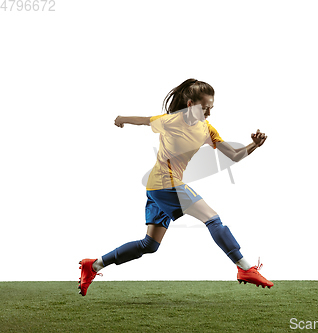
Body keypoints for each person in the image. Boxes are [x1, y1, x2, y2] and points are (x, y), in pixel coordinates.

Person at [78, 78, 273, 296]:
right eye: (205, 107)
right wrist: (121, 118)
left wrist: (254, 145)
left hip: (156, 188)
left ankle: (94, 265)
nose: (209, 113)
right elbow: (144, 120)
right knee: (212, 219)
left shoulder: (207, 129)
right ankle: (245, 267)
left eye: (211, 107)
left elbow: (234, 155)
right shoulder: (170, 121)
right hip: (165, 183)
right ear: (190, 104)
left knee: (149, 245)